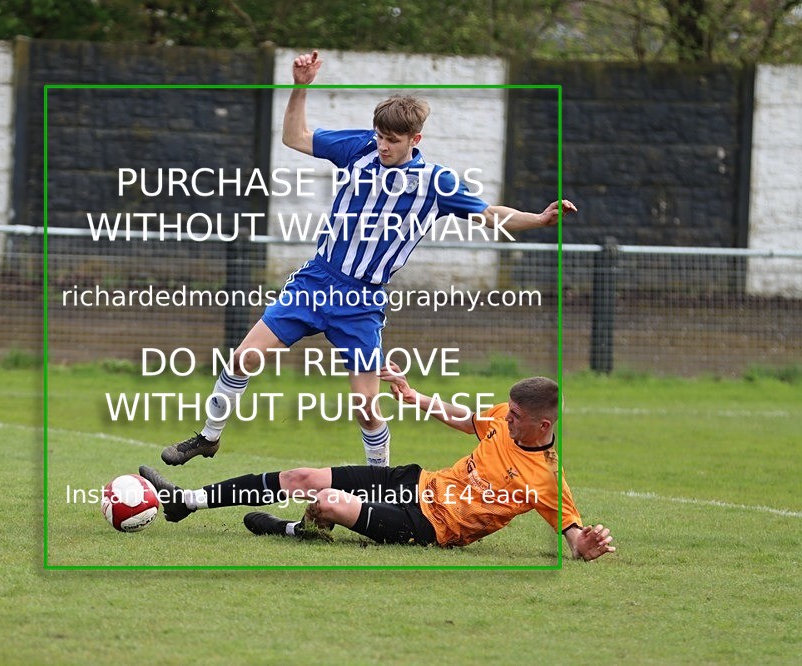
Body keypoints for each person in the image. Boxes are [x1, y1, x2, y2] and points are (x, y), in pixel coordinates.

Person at [161, 50, 578, 468]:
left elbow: (490, 215)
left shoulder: (435, 182)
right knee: (243, 357)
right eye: (380, 136)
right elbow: (294, 136)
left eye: (392, 140)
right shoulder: (358, 148)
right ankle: (209, 437)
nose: (382, 145)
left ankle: (380, 486)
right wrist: (300, 86)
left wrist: (539, 219)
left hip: (361, 302)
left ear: (415, 140)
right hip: (315, 282)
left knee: (365, 404)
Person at [142, 367, 615, 561]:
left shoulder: (546, 479)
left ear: (543, 425)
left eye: (516, 417)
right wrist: (415, 397)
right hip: (416, 483)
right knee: (301, 477)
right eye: (507, 411)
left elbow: (572, 536)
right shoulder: (500, 418)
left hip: (431, 528)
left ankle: (292, 530)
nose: (505, 418)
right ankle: (186, 502)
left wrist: (585, 544)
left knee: (330, 502)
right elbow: (468, 419)